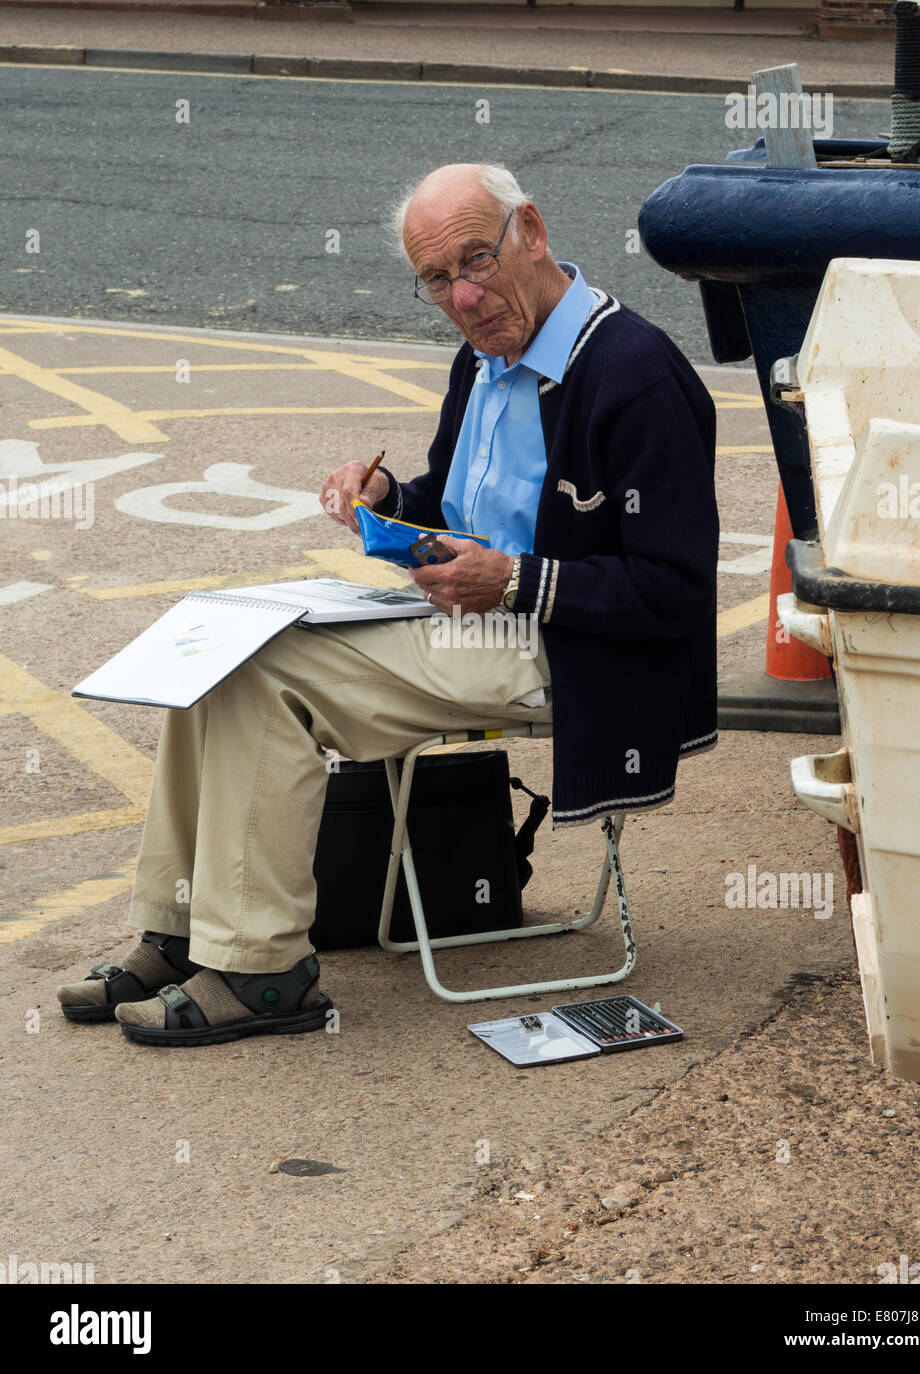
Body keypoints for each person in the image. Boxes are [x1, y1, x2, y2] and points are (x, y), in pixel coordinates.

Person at [57, 162, 719, 1046]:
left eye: (476, 261)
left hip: (566, 648)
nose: (465, 296)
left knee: (270, 672)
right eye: (437, 279)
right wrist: (388, 499)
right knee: (219, 645)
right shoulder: (482, 357)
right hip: (476, 619)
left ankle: (262, 971)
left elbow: (676, 590)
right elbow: (450, 505)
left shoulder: (633, 372)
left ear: (533, 233)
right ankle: (180, 930)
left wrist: (516, 580)